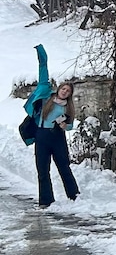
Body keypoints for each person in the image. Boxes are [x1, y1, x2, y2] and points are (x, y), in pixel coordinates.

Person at [25, 44, 79, 207]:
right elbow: (43, 73)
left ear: (69, 95)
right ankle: (46, 200)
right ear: (59, 88)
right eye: (63, 89)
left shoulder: (68, 107)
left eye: (67, 91)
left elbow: (70, 126)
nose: (64, 92)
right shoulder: (47, 98)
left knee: (64, 167)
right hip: (42, 136)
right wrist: (41, 54)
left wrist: (65, 126)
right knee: (42, 170)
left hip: (57, 137)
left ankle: (74, 196)